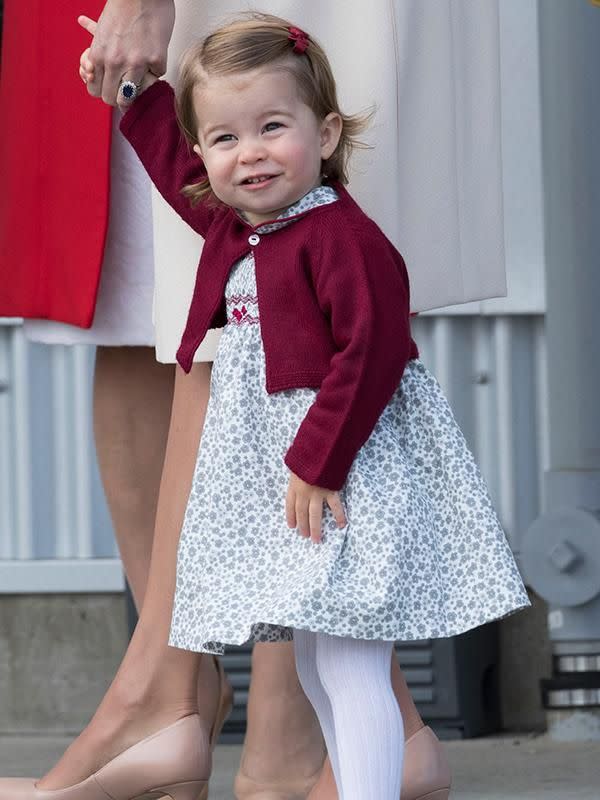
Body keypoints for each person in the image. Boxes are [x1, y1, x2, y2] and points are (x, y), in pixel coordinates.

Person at [0, 1, 506, 798]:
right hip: (301, 484)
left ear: (328, 134)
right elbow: (177, 173)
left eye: (275, 129)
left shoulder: (341, 237)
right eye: (227, 140)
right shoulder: (245, 228)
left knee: (347, 658)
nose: (252, 157)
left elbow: (372, 357)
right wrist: (138, 101)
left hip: (336, 481)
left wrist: (314, 464)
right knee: (316, 659)